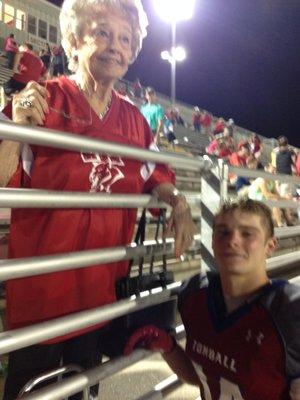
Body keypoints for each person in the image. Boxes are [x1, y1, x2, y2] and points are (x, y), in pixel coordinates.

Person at [0, 0, 195, 398]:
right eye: (103, 33)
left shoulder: (135, 121)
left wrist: (177, 201)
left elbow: (157, 174)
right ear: (74, 39)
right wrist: (18, 128)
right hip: (41, 300)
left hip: (99, 295)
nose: (116, 47)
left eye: (125, 39)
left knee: (82, 389)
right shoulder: (42, 100)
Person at [125, 198, 300, 400]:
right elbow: (201, 377)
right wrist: (169, 347)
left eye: (247, 233)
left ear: (270, 245)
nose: (233, 240)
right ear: (213, 241)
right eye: (223, 232)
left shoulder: (288, 312)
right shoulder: (195, 294)